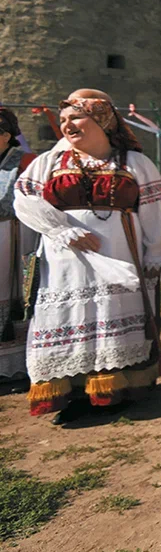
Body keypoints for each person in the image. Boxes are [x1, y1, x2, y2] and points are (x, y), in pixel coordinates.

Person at [15, 90, 161, 423]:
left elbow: (155, 208)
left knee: (111, 313)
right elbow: (23, 199)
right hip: (65, 261)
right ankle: (71, 391)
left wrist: (155, 250)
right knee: (67, 318)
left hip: (119, 252)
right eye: (65, 119)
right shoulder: (51, 161)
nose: (68, 124)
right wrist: (60, 229)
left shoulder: (133, 162)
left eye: (77, 117)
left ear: (102, 120)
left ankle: (116, 390)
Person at [0, 108, 36, 382]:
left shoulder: (25, 162)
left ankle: (17, 366)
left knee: (16, 297)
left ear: (6, 136)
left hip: (14, 238)